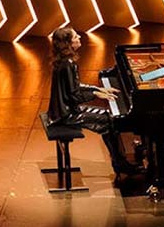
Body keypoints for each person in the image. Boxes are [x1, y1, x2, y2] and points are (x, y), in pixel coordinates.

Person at [48, 27, 141, 175]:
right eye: (75, 36)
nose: (79, 36)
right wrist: (96, 95)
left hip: (62, 110)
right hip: (66, 115)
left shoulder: (65, 61)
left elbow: (76, 86)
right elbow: (74, 96)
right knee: (111, 120)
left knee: (109, 119)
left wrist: (97, 89)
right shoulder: (68, 64)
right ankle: (120, 163)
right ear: (68, 43)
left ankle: (119, 162)